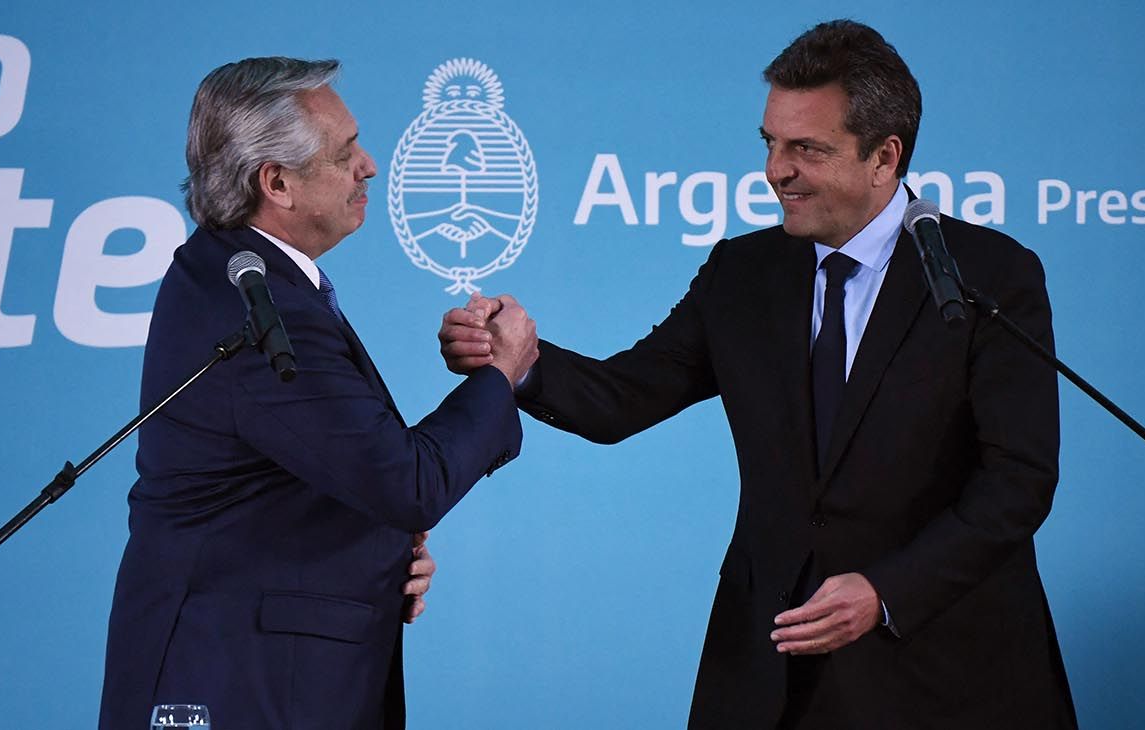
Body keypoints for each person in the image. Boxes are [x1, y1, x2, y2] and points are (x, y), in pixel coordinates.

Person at [440, 20, 1076, 730]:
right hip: (768, 675)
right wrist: (518, 359)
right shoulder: (742, 274)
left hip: (941, 672)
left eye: (806, 148)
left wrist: (884, 591)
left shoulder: (986, 275)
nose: (776, 170)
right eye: (771, 143)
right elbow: (623, 398)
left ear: (884, 157)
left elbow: (1018, 480)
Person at [99, 57, 537, 730]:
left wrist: (382, 549)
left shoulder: (232, 277)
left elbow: (307, 475)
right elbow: (406, 482)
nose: (370, 165)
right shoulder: (257, 304)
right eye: (345, 152)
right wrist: (500, 373)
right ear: (276, 182)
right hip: (238, 688)